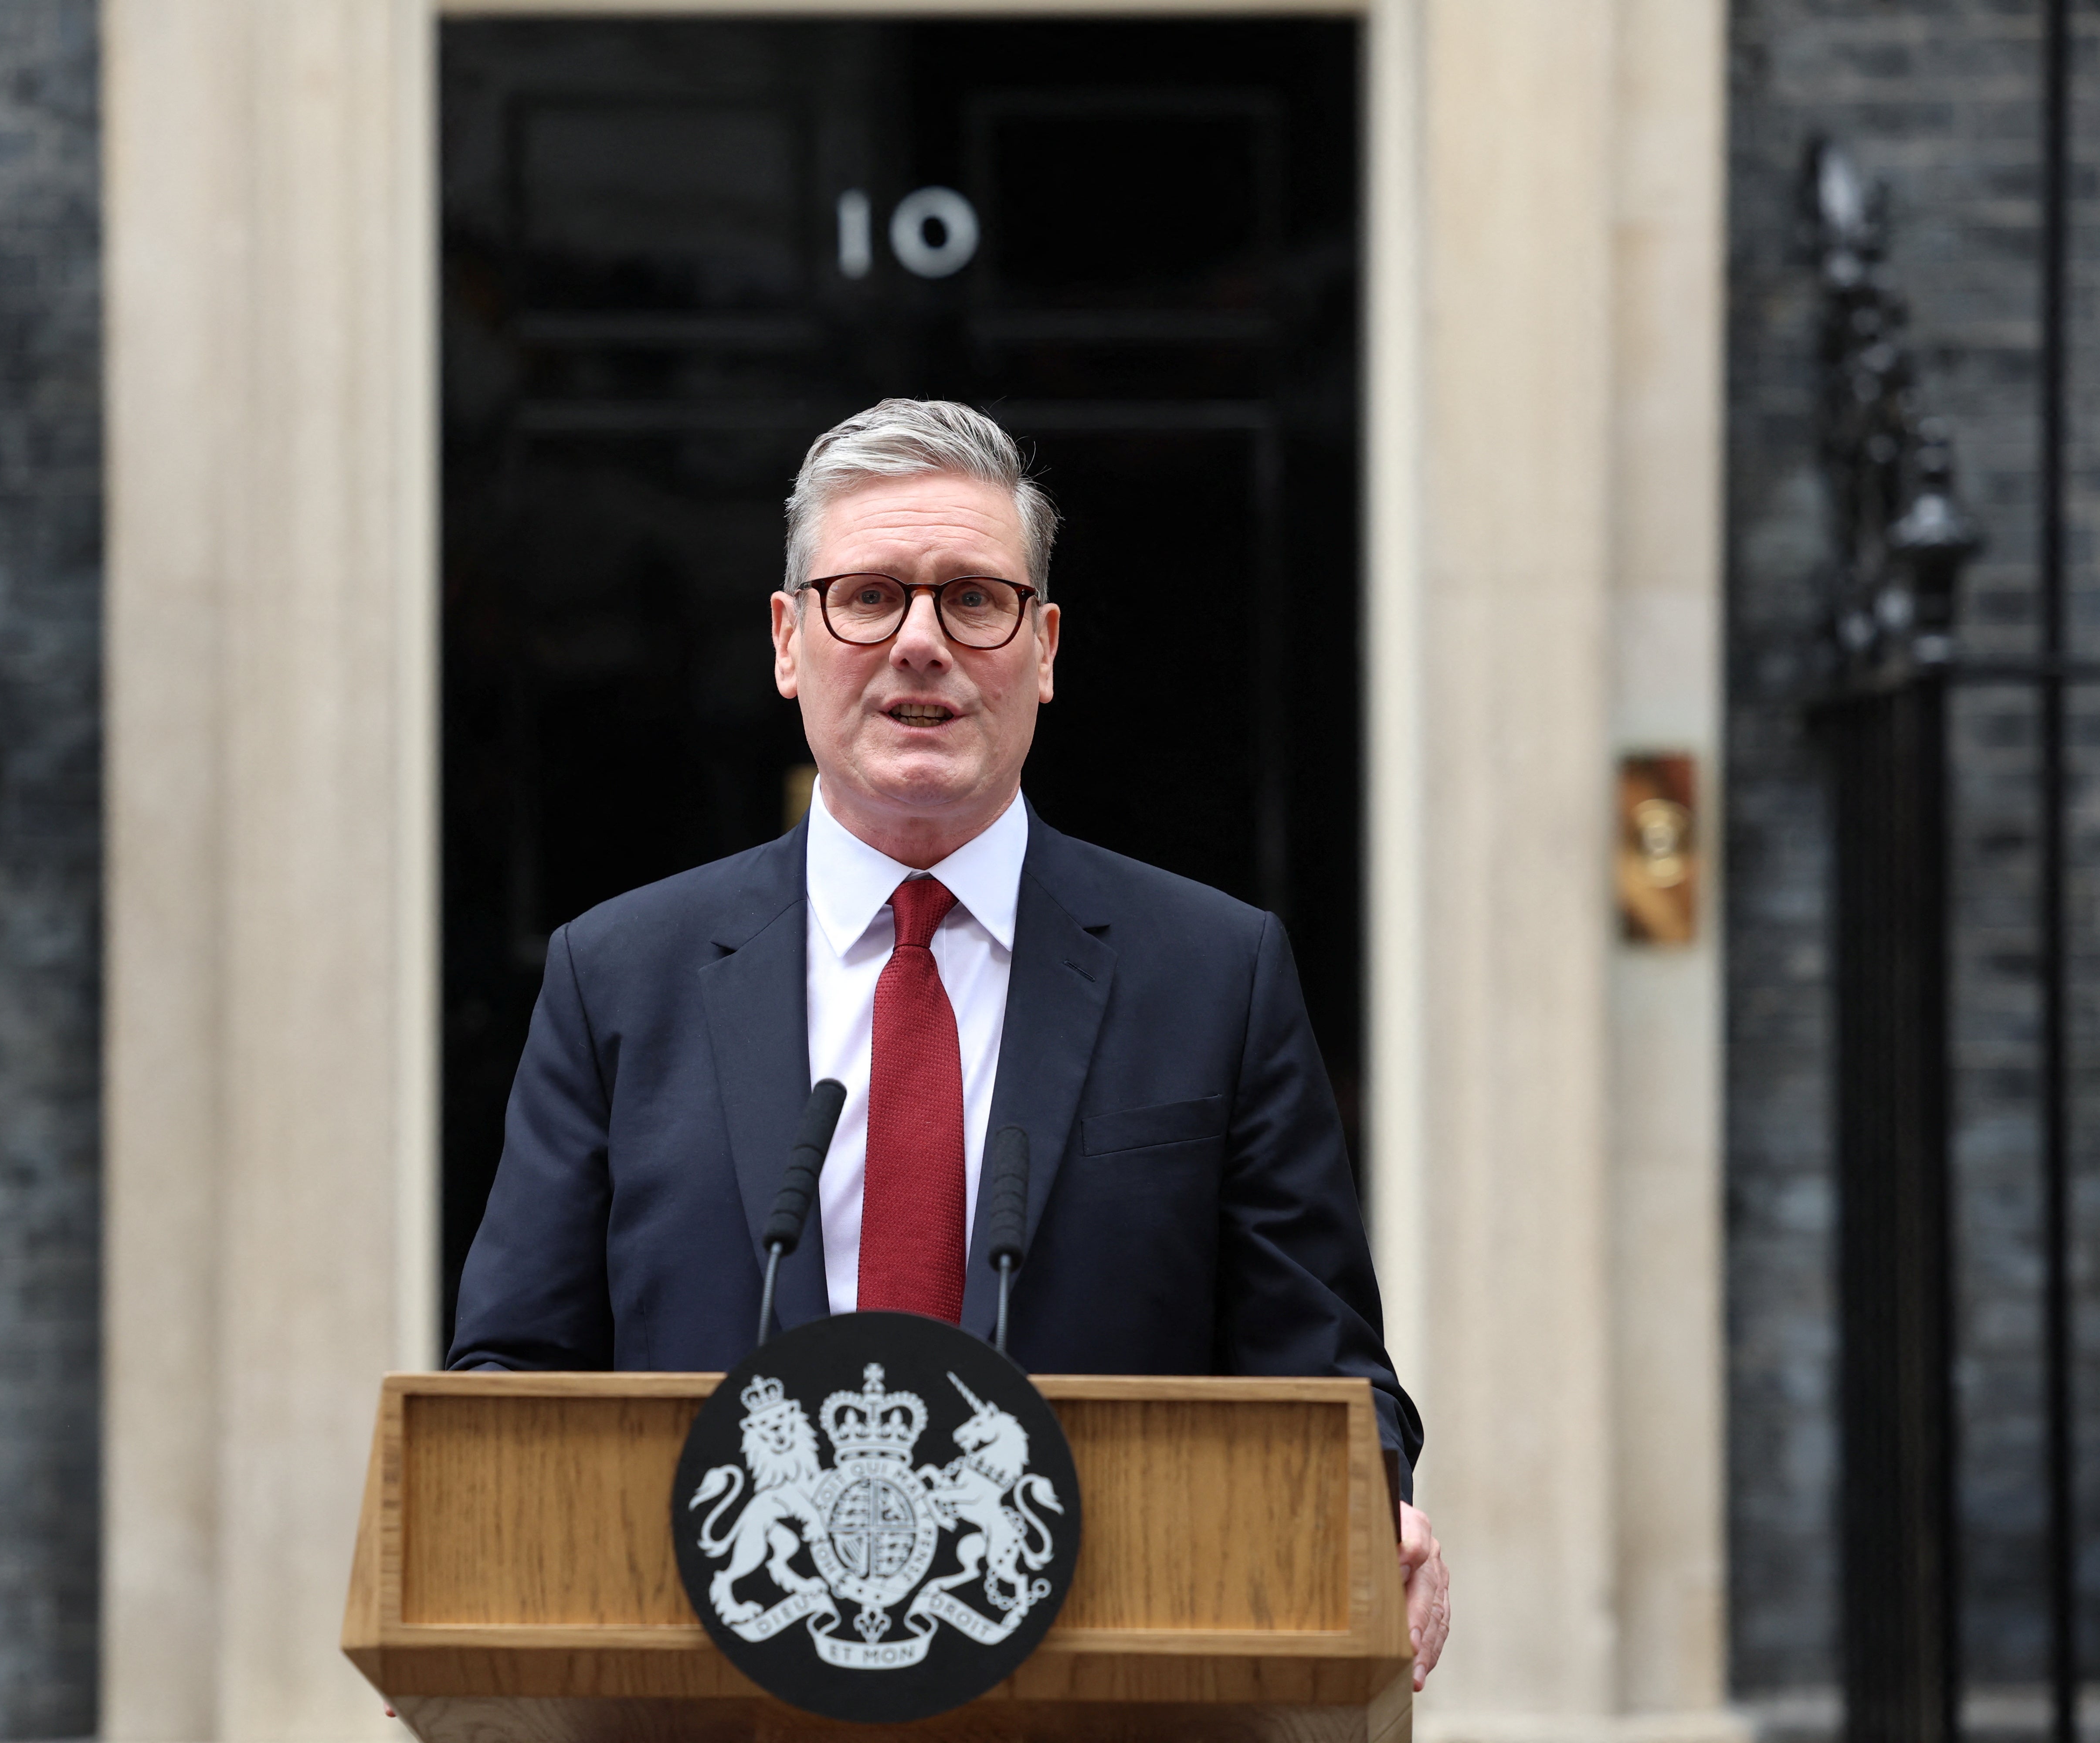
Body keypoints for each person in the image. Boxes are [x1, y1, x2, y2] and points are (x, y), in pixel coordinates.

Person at [449, 398, 1451, 1687]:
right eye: (867, 597)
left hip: (1112, 1698)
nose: (919, 643)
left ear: (1041, 650)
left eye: (973, 601)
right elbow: (514, 1379)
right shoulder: (619, 976)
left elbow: (1326, 1378)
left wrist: (1378, 1506)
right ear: (787, 643)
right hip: (705, 1704)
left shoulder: (1213, 974)